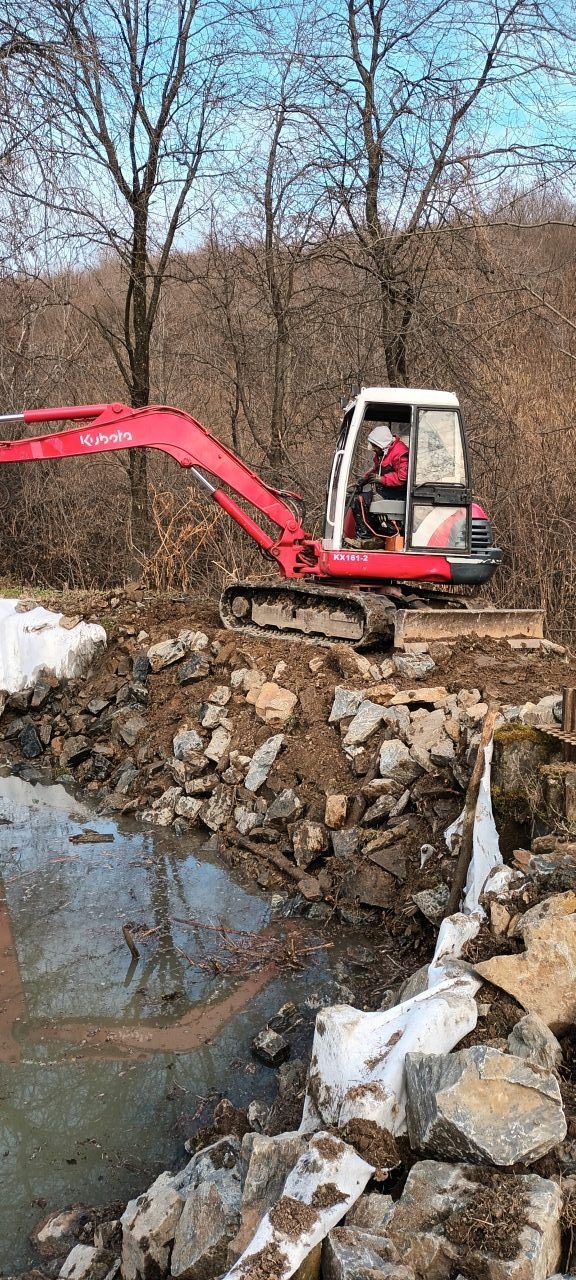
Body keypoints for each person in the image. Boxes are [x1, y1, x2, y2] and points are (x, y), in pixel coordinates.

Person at [347, 425, 409, 542]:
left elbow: (403, 477)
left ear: (382, 444)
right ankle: (372, 533)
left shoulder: (400, 453)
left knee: (360, 500)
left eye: (375, 446)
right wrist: (363, 480)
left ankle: (366, 537)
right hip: (387, 489)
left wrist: (382, 479)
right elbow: (376, 469)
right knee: (355, 497)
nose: (373, 449)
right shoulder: (383, 453)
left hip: (397, 492)